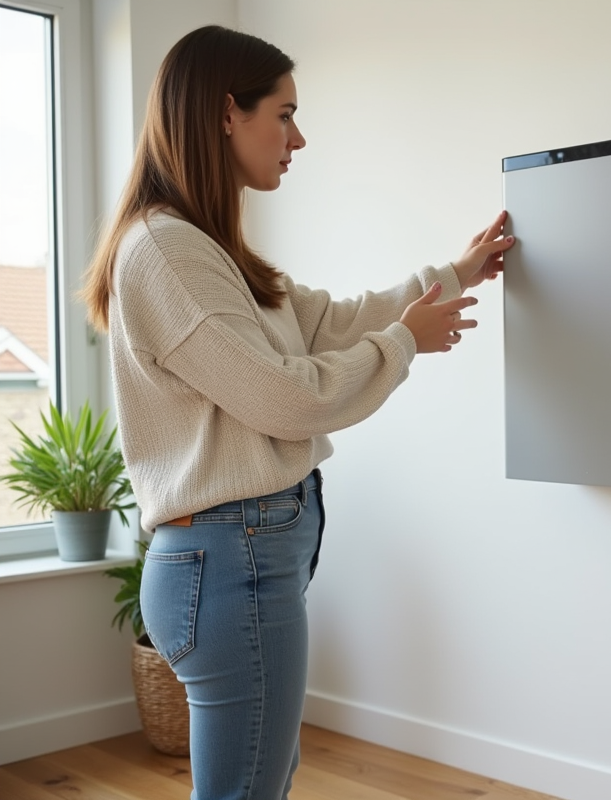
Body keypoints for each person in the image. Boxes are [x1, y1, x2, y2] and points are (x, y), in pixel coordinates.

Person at [80, 25, 512, 800]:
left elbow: (327, 323)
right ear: (227, 114)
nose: (298, 138)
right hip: (230, 559)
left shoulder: (205, 248)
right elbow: (287, 398)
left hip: (236, 557)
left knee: (259, 781)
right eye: (284, 115)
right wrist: (404, 343)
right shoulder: (168, 252)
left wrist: (456, 272)